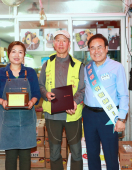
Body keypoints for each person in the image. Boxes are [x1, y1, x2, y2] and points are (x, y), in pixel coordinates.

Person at [0, 41, 41, 170]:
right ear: (8, 54)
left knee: (25, 157)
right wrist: (2, 102)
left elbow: (36, 93)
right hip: (7, 122)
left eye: (20, 52)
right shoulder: (0, 73)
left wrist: (32, 102)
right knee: (10, 157)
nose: (17, 55)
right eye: (13, 51)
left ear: (24, 55)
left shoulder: (30, 72)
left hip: (26, 121)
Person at [39, 30, 85, 170]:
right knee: (54, 153)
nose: (60, 43)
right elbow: (40, 85)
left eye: (64, 40)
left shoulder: (78, 65)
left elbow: (83, 89)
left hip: (73, 115)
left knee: (76, 152)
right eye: (58, 40)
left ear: (69, 44)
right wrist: (46, 93)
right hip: (52, 115)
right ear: (54, 44)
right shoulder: (47, 64)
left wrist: (75, 102)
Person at [83, 34, 129, 170]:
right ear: (89, 51)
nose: (96, 51)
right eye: (92, 48)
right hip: (89, 115)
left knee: (110, 155)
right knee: (92, 154)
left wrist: (121, 118)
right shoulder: (87, 69)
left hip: (109, 116)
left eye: (99, 47)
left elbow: (124, 95)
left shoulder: (117, 67)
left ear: (107, 48)